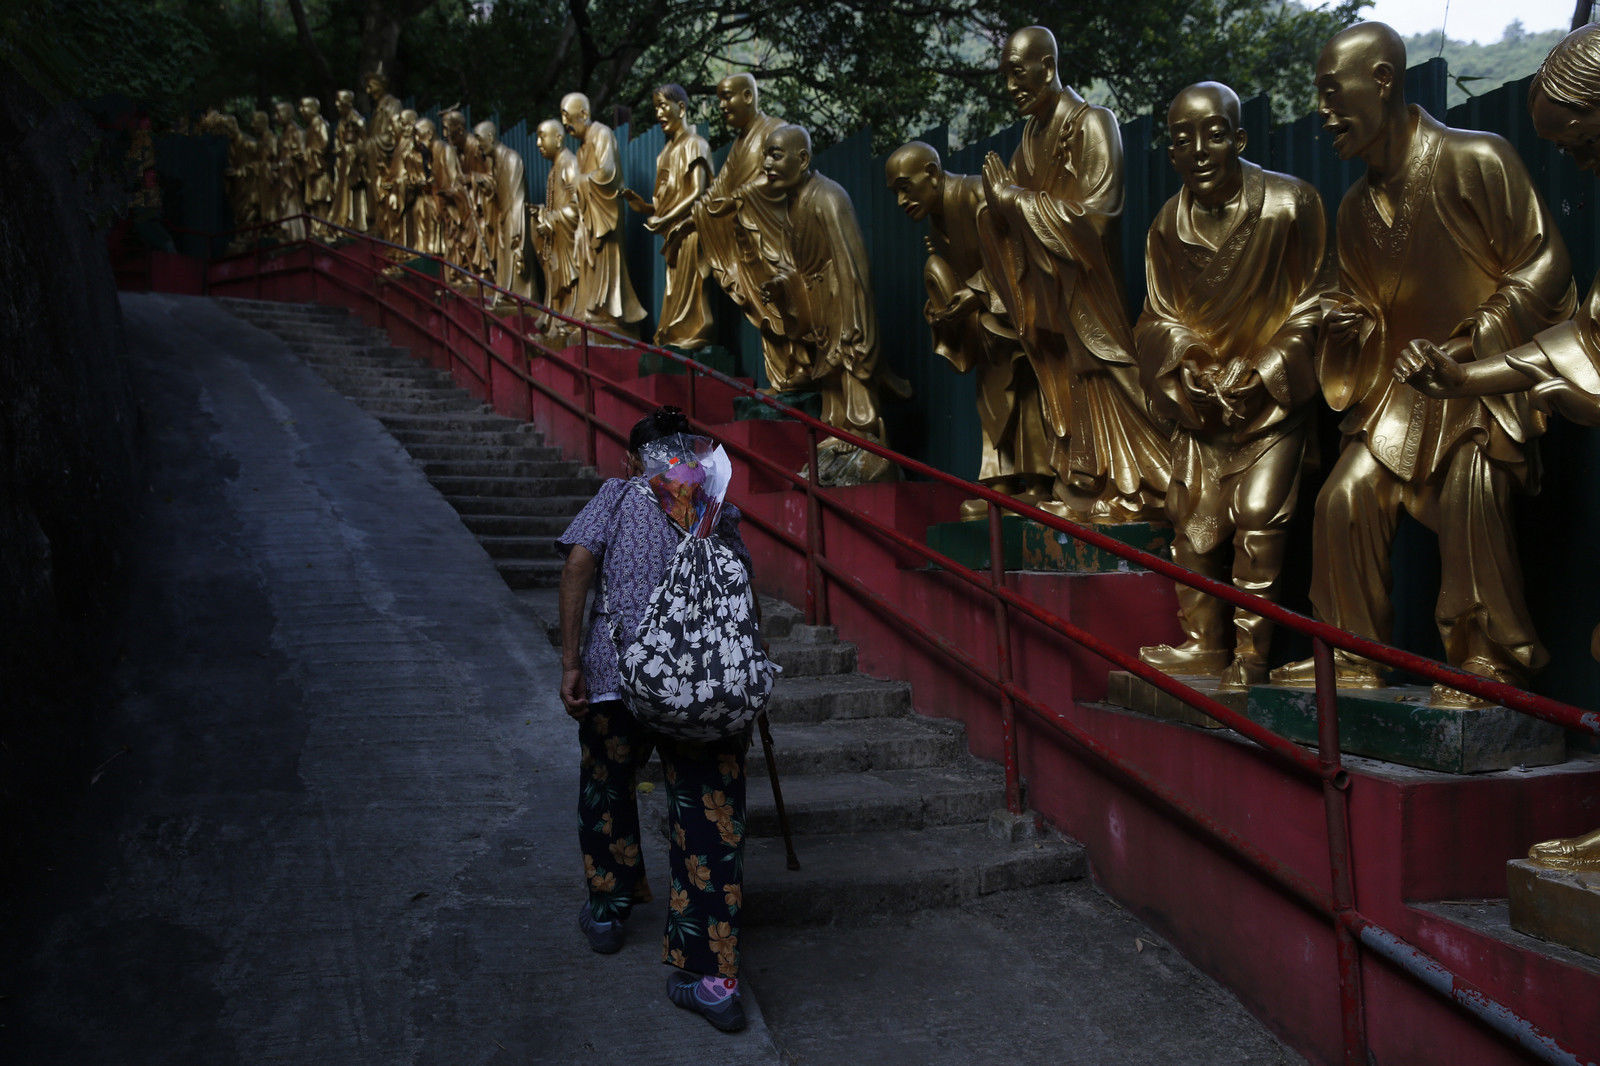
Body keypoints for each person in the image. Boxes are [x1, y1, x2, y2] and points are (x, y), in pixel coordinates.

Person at [1269, 22, 1576, 702]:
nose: (1323, 113)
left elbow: (1544, 265)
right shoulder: (1352, 210)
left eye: (1330, 92)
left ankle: (1488, 657)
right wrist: (1347, 324)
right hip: (1401, 397)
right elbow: (1365, 308)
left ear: (1382, 80)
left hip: (1480, 392)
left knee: (1473, 488)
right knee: (1342, 498)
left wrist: (1476, 338)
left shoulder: (1476, 159)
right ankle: (1350, 653)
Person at [556, 406, 756, 1033]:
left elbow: (578, 566)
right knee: (711, 817)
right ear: (692, 456)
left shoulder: (617, 494)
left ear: (631, 459)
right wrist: (751, 666)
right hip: (706, 688)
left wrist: (570, 662)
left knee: (608, 787)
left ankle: (609, 911)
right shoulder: (716, 506)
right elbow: (743, 583)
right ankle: (714, 980)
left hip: (619, 680)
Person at [1134, 82, 1327, 689]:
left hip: (1271, 404)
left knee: (1259, 518)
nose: (1198, 150)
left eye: (1213, 134)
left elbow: (1323, 298)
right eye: (1181, 140)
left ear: (1239, 139)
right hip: (1204, 406)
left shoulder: (1290, 206)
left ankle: (1251, 656)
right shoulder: (1168, 224)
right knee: (1191, 523)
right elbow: (1157, 316)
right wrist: (1186, 362)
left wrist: (1268, 367)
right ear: (1170, 152)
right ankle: (1203, 643)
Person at [977, 25, 1171, 521]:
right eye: (1004, 77)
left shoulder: (1092, 124)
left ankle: (1141, 487)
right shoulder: (1028, 140)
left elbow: (1098, 216)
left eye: (1018, 74)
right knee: (1065, 387)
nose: (1011, 87)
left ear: (1048, 66)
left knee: (1107, 379)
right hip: (1049, 296)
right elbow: (1009, 221)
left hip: (1087, 291)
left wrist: (1014, 200)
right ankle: (1083, 484)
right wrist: (996, 211)